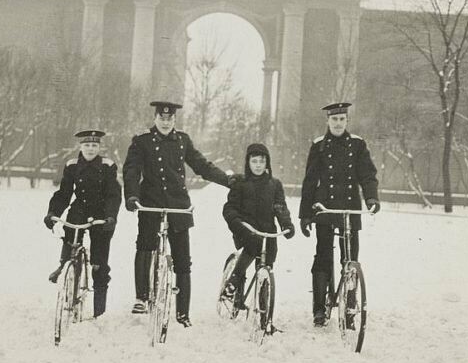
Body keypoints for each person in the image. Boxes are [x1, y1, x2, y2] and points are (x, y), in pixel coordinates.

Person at [123, 101, 239, 328]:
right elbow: (132, 171)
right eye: (162, 118)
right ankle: (142, 298)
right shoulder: (142, 141)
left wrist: (228, 180)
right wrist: (132, 196)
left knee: (183, 261)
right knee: (145, 246)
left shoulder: (182, 141)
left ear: (174, 120)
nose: (165, 121)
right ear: (156, 119)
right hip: (151, 204)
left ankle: (183, 312)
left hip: (178, 206)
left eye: (170, 118)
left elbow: (202, 166)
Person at [299, 103, 380, 327]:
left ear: (346, 121)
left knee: (350, 259)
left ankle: (350, 307)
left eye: (342, 120)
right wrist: (305, 215)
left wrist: (371, 197)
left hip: (350, 209)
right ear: (327, 121)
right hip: (325, 208)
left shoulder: (357, 144)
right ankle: (318, 308)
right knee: (323, 256)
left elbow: (368, 175)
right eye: (334, 120)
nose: (338, 124)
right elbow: (309, 182)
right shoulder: (319, 146)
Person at [44, 129, 121, 318]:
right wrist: (53, 212)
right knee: (70, 235)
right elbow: (64, 193)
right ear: (80, 146)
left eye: (94, 145)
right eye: (87, 145)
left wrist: (111, 216)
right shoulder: (71, 165)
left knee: (99, 263)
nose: (91, 149)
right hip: (79, 210)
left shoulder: (107, 165)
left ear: (100, 147)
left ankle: (99, 312)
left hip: (101, 214)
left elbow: (113, 194)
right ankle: (64, 265)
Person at [221, 143, 295, 310]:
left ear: (267, 163)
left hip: (267, 230)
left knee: (267, 264)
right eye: (254, 161)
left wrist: (286, 224)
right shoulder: (240, 183)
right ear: (248, 163)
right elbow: (230, 207)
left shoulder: (274, 184)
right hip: (246, 229)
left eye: (262, 161)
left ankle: (263, 314)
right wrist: (235, 221)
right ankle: (233, 280)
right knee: (252, 246)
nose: (258, 165)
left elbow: (280, 206)